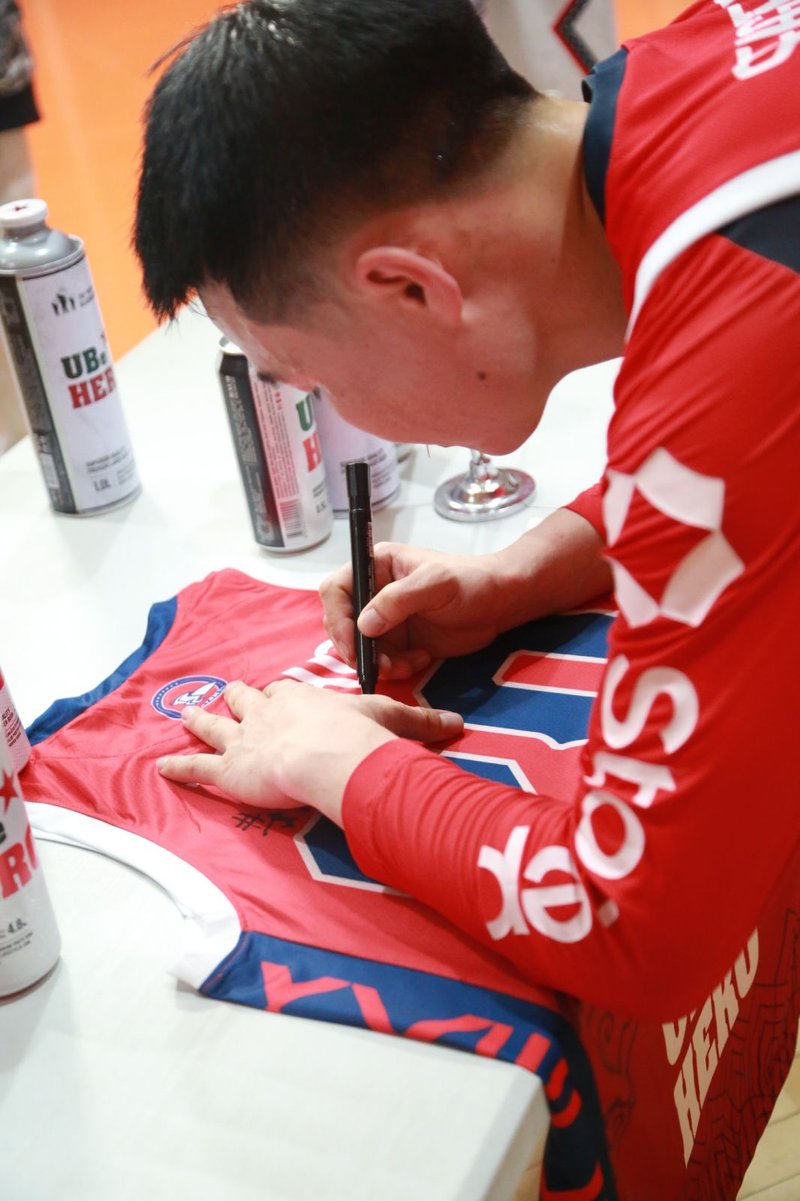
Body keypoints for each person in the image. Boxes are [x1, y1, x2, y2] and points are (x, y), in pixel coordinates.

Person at [135, 1, 800, 1195]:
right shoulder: (698, 63)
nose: (329, 411)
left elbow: (628, 918)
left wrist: (335, 760)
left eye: (303, 376)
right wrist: (532, 568)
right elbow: (747, 457)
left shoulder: (741, 332)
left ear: (406, 286)